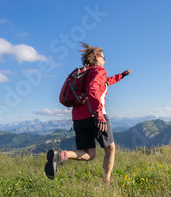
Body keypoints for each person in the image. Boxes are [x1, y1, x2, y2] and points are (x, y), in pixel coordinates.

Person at [45, 42, 131, 185]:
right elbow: (93, 90)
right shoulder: (99, 70)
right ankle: (106, 183)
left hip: (78, 118)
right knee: (110, 148)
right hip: (95, 115)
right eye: (103, 57)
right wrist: (99, 115)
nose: (104, 60)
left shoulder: (84, 73)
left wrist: (121, 75)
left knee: (89, 154)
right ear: (97, 57)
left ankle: (60, 155)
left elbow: (105, 82)